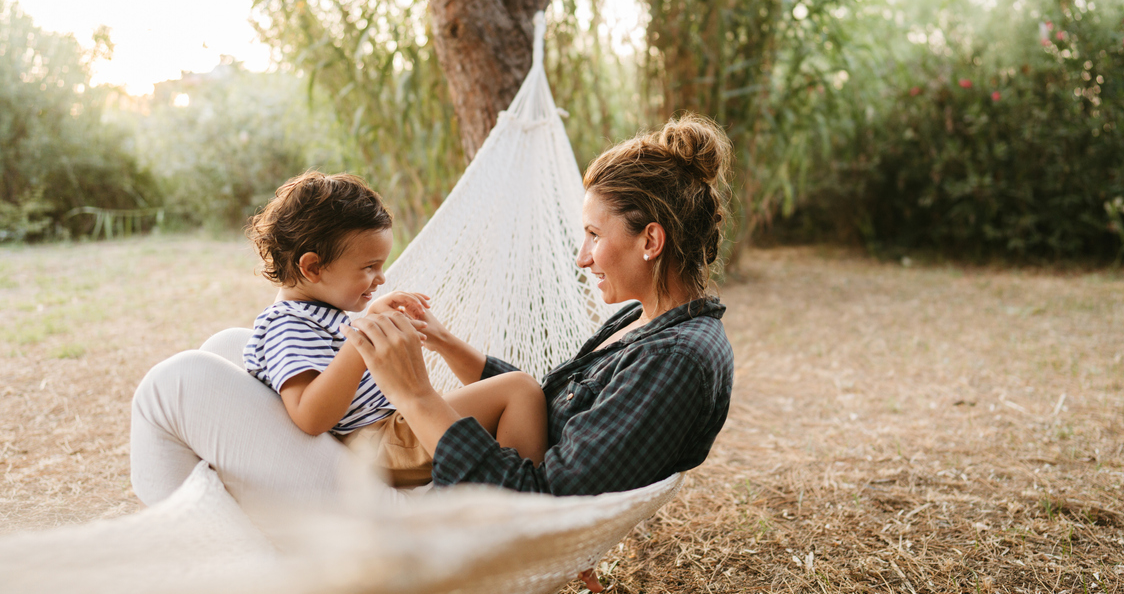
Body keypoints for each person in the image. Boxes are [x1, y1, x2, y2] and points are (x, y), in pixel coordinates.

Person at [129, 114, 734, 508]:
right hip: (377, 452)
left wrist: (416, 396)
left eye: (593, 235)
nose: (582, 257)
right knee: (227, 349)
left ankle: (201, 549)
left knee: (177, 382)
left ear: (650, 241)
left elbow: (543, 496)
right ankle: (214, 536)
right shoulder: (646, 328)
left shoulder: (676, 361)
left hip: (417, 505)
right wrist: (444, 343)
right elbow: (547, 407)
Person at [241, 171, 548, 487]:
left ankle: (506, 496)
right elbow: (309, 415)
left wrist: (372, 317)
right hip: (377, 442)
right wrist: (362, 342)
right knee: (519, 389)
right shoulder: (287, 325)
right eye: (369, 267)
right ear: (313, 268)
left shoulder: (318, 314)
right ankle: (522, 505)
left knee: (512, 394)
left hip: (392, 431)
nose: (381, 278)